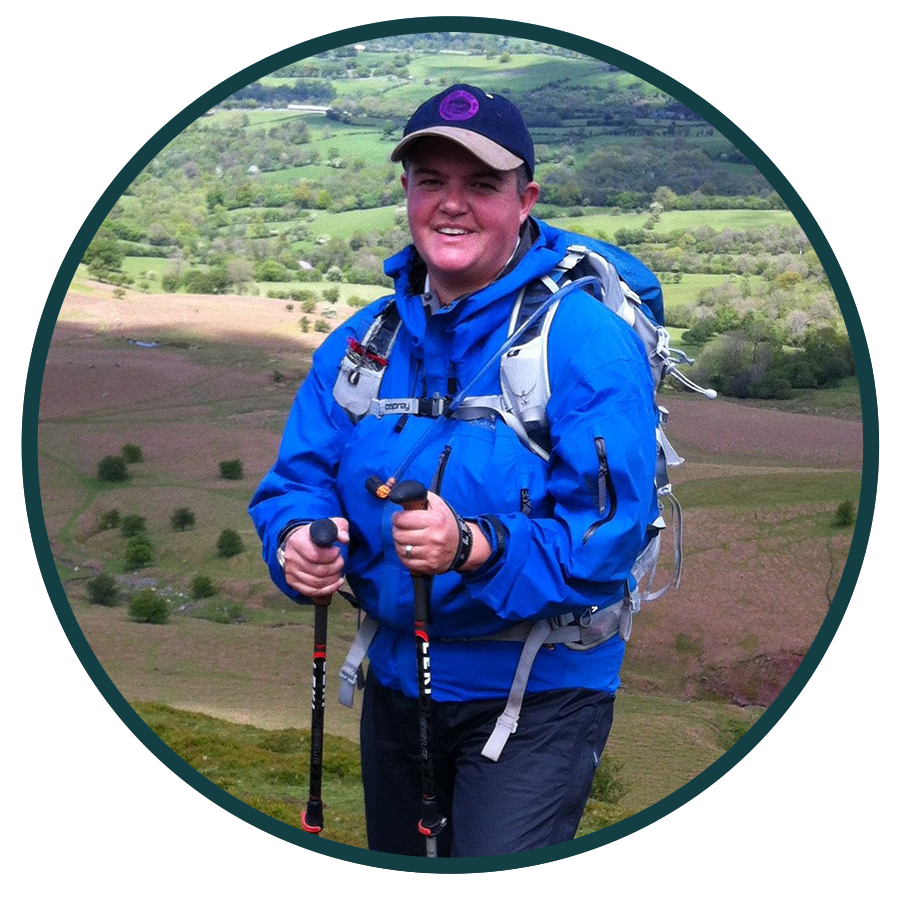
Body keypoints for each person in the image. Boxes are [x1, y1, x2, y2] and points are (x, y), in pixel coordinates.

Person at [249, 84, 659, 858]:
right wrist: (297, 537)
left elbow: (607, 539)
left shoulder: (585, 345)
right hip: (399, 685)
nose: (452, 205)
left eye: (481, 184)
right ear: (405, 191)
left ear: (525, 198)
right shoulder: (361, 342)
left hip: (539, 696)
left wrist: (474, 545)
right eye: (431, 181)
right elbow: (296, 480)